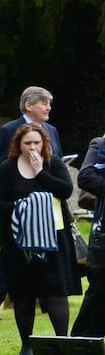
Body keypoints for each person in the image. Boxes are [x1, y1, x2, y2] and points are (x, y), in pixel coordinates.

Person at [0, 123, 79, 355]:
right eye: (27, 143)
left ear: (44, 144)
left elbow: (65, 190)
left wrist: (41, 173)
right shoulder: (7, 168)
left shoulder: (53, 164)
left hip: (53, 240)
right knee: (23, 294)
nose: (31, 147)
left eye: (36, 143)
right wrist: (24, 209)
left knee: (56, 292)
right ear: (18, 144)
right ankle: (26, 344)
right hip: (18, 242)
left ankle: (63, 341)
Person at [0, 87, 64, 321]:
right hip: (19, 215)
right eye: (44, 103)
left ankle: (48, 305)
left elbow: (58, 171)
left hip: (49, 216)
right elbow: (1, 167)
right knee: (11, 265)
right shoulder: (10, 130)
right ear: (29, 105)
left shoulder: (52, 130)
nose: (48, 108)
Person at [71, 135, 105, 337]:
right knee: (98, 295)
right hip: (103, 237)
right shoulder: (100, 144)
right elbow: (85, 177)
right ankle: (80, 348)